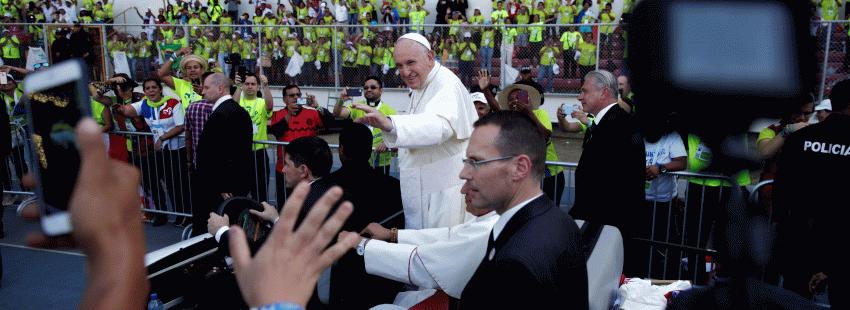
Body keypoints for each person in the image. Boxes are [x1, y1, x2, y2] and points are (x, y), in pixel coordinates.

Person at [458, 111, 587, 309]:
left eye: (476, 162)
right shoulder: (560, 221)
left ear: (520, 168)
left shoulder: (515, 264)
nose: (463, 173)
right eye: (466, 162)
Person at [352, 33, 478, 230]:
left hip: (444, 192)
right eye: (399, 65)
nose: (405, 71)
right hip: (425, 188)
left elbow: (439, 127)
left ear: (430, 57)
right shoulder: (423, 83)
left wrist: (390, 124)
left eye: (411, 63)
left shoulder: (446, 84)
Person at [771, 79, 850, 308]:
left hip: (799, 237)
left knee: (793, 300)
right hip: (840, 243)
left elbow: (782, 186)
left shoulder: (801, 138)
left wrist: (778, 227)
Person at [570, 70, 645, 276]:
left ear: (603, 93)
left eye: (584, 91)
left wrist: (581, 227)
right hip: (606, 230)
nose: (580, 97)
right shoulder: (608, 123)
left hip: (607, 231)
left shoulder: (617, 125)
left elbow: (606, 187)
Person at [115, 78, 192, 227]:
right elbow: (128, 110)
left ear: (160, 89)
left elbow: (181, 126)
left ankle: (188, 216)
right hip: (161, 150)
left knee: (179, 183)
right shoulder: (145, 104)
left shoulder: (172, 103)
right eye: (147, 88)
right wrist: (120, 109)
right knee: (169, 184)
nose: (151, 91)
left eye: (154, 88)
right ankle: (179, 215)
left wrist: (162, 138)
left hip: (177, 148)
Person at [190, 72, 254, 236]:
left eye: (206, 87)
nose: (203, 92)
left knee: (215, 231)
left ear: (220, 88)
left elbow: (222, 154)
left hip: (218, 189)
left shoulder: (222, 114)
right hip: (228, 186)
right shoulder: (237, 111)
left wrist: (224, 184)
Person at [268, 85, 329, 204]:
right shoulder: (278, 114)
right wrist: (289, 115)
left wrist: (318, 106)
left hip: (310, 170)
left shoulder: (312, 113)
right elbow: (275, 131)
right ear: (284, 99)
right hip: (285, 169)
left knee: (309, 205)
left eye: (298, 95)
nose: (296, 98)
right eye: (291, 95)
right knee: (285, 204)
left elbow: (330, 122)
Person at [334, 76, 398, 175]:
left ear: (381, 91)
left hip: (380, 163)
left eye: (373, 87)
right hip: (357, 161)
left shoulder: (390, 111)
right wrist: (341, 100)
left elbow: (396, 136)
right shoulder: (358, 106)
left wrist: (386, 144)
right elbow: (337, 113)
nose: (368, 89)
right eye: (366, 88)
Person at [233, 72, 274, 203]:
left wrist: (266, 85)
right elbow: (232, 108)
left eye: (253, 84)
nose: (250, 86)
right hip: (240, 153)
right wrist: (237, 87)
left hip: (259, 153)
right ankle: (239, 221)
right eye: (247, 84)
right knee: (239, 192)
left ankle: (260, 222)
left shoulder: (262, 102)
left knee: (260, 192)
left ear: (257, 87)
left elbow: (270, 106)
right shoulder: (238, 100)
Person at [157, 48, 206, 114]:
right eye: (189, 68)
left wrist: (204, 94)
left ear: (202, 70)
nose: (192, 70)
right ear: (185, 71)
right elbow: (161, 74)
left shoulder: (210, 85)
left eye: (196, 67)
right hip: (187, 123)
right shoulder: (181, 84)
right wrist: (175, 55)